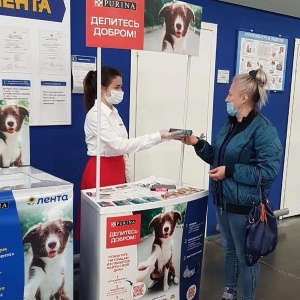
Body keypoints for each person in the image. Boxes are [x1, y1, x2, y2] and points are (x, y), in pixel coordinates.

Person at [182, 69, 282, 300]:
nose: (226, 99)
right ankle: (229, 293)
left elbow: (268, 172)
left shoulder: (263, 129)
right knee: (229, 251)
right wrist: (198, 144)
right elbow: (218, 157)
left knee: (246, 258)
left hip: (244, 207)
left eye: (229, 94)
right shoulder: (230, 124)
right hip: (223, 202)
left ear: (244, 98)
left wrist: (231, 171)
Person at [76, 66, 180, 239]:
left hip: (118, 169)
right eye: (116, 87)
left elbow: (124, 147)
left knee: (119, 222)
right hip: (101, 171)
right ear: (102, 89)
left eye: (121, 87)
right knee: (103, 226)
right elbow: (119, 145)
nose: (121, 91)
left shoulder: (114, 113)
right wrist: (156, 136)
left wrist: (162, 137)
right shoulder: (95, 115)